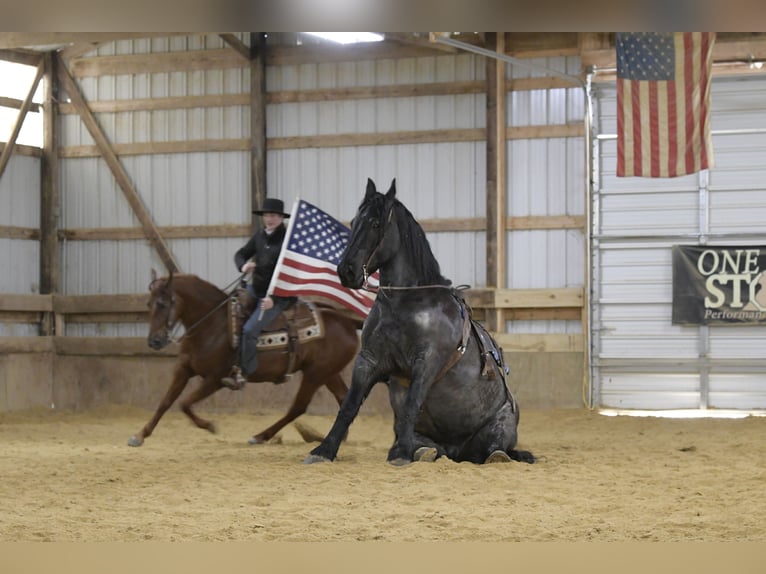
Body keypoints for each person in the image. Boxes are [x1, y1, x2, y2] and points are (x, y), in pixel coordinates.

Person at [221, 197, 296, 390]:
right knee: (230, 313)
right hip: (256, 289)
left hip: (279, 296)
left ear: (281, 218)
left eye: (273, 216)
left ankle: (245, 372)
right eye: (266, 215)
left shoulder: (287, 241)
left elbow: (290, 276)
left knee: (249, 330)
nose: (269, 219)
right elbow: (240, 254)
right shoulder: (260, 236)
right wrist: (243, 265)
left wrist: (275, 300)